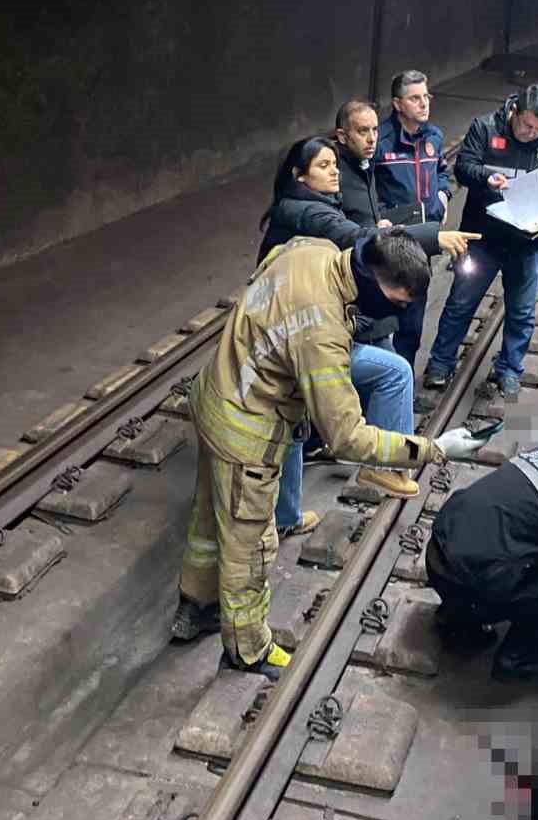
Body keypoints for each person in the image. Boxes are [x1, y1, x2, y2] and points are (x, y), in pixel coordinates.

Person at [171, 231, 489, 677]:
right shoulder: (322, 333)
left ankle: (196, 605)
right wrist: (432, 449)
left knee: (209, 516)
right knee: (251, 544)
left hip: (216, 391)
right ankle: (246, 648)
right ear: (372, 279)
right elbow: (346, 437)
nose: (398, 312)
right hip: (246, 431)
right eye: (396, 302)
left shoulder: (312, 250)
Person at [256, 136, 478, 515]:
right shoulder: (308, 214)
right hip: (292, 336)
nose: (333, 172)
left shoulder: (311, 207)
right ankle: (383, 467)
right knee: (391, 372)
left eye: (333, 164)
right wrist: (432, 238)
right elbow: (355, 237)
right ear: (299, 175)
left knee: (291, 422)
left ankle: (286, 516)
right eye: (322, 166)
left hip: (282, 330)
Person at [422, 86, 538, 401]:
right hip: (482, 237)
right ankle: (440, 363)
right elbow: (463, 168)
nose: (530, 133)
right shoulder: (485, 127)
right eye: (525, 125)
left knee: (521, 311)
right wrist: (486, 176)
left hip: (526, 242)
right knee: (461, 302)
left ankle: (509, 369)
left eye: (537, 129)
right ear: (513, 112)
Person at [426, 434, 538, 680]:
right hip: (470, 580)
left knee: (517, 534)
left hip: (438, 548)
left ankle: (457, 619)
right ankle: (517, 659)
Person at [375, 71, 452, 368]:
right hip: (388, 245)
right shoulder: (380, 141)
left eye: (426, 97)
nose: (424, 104)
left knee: (413, 323)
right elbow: (365, 188)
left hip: (422, 245)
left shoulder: (434, 136)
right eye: (415, 98)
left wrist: (443, 196)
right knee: (382, 320)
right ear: (397, 104)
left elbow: (442, 171)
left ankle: (401, 383)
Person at [332, 100, 387, 229]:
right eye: (363, 131)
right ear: (342, 136)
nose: (372, 139)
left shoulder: (367, 161)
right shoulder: (332, 173)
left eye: (375, 130)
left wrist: (378, 225)